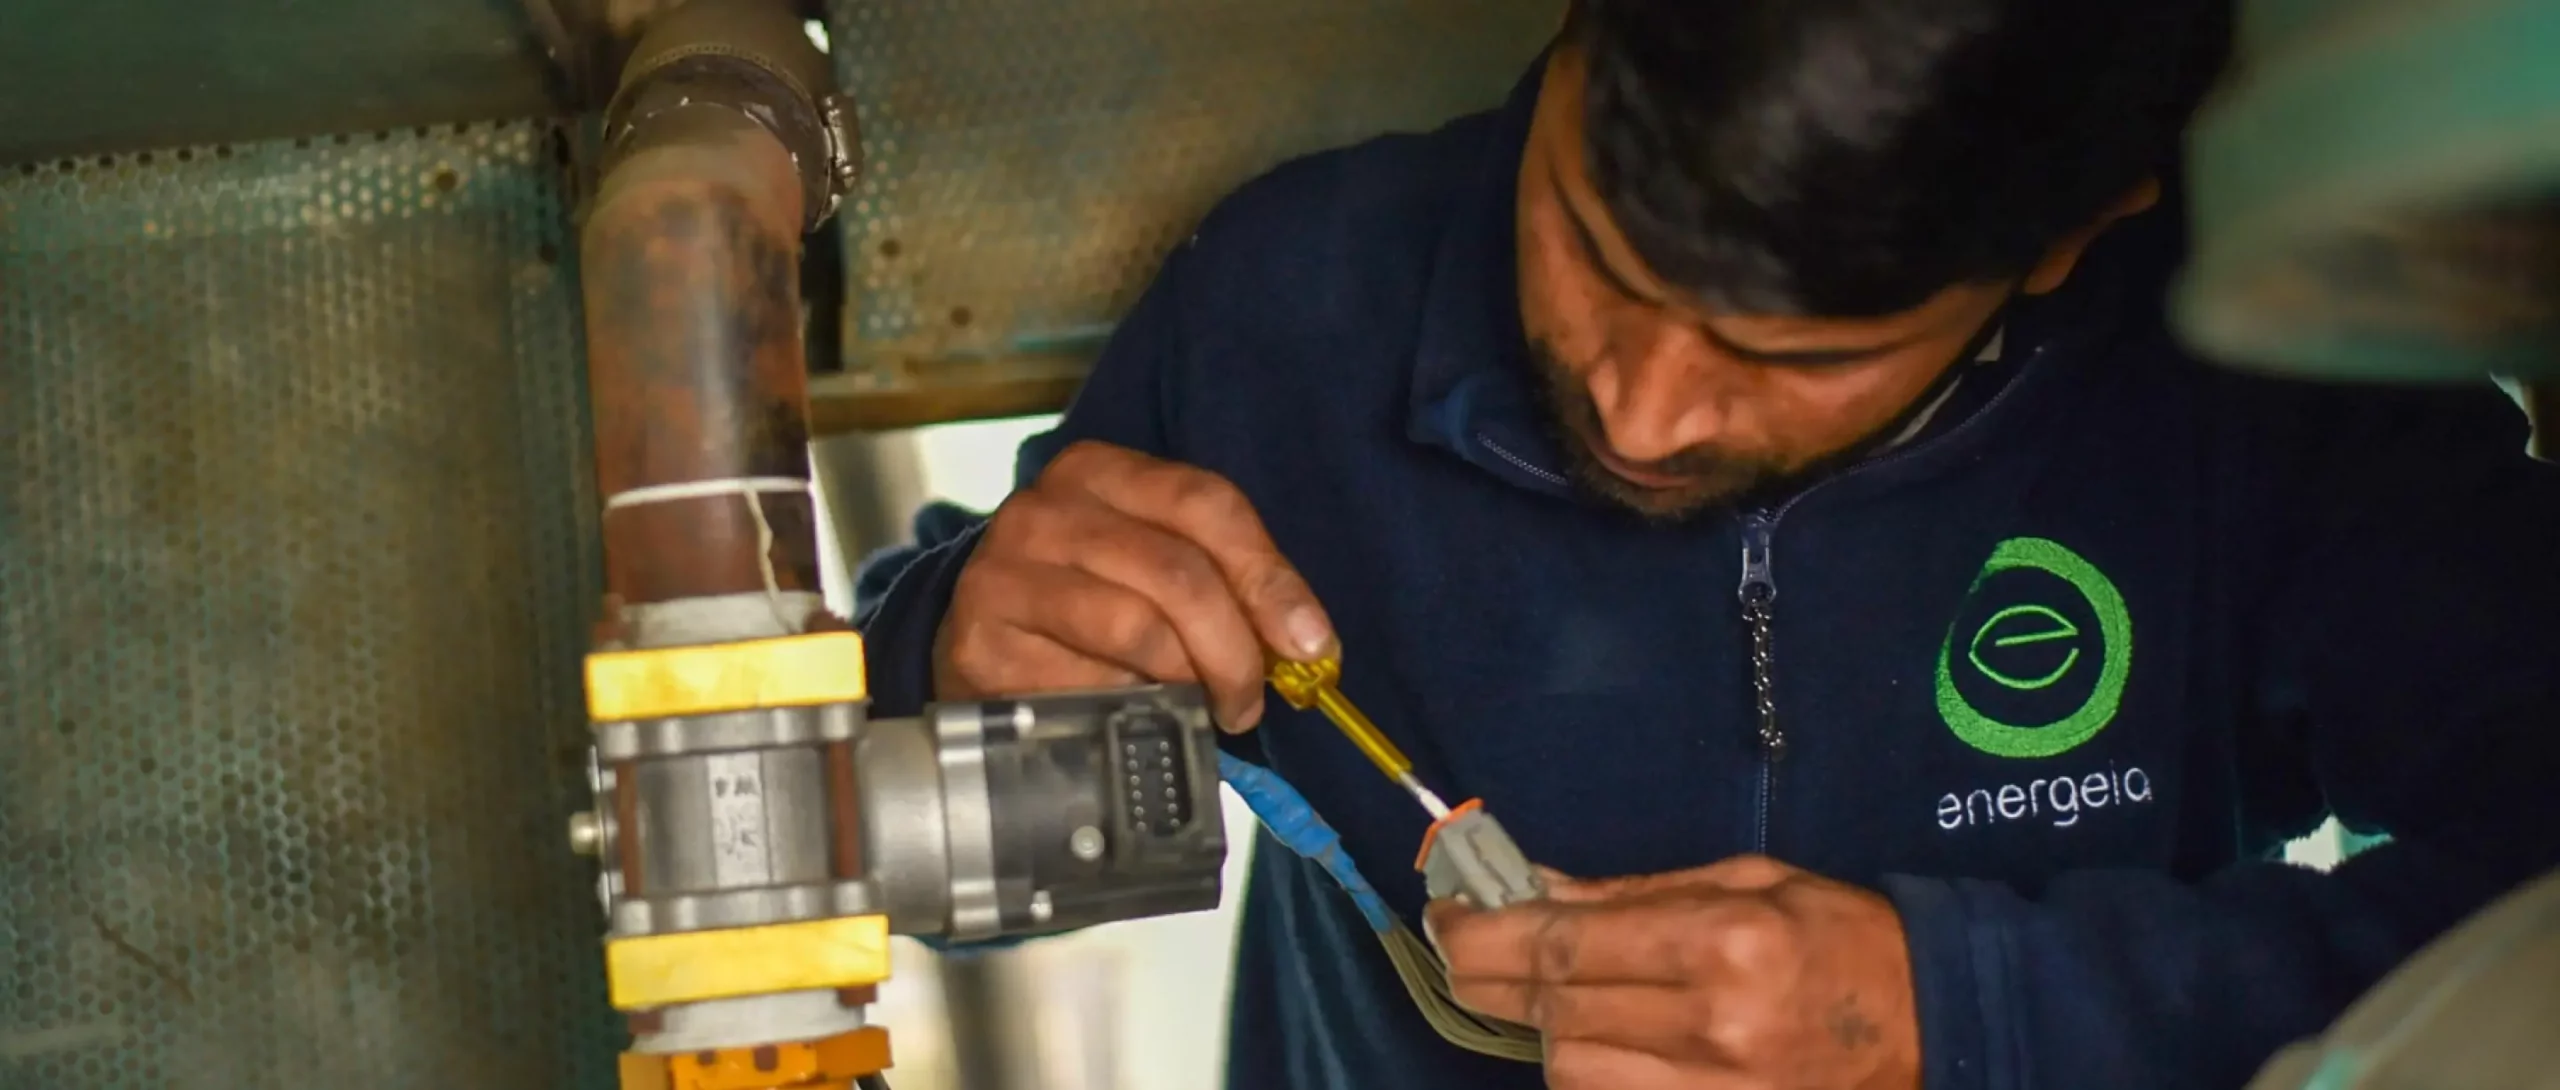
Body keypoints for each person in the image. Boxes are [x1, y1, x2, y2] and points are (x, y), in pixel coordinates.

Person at [853, 0, 2560, 1087]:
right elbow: (917, 873)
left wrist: (1972, 1014)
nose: (1644, 407)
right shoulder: (1287, 313)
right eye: (1594, 246)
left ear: (2075, 231)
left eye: (1792, 352)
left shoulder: (2261, 393)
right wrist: (940, 668)